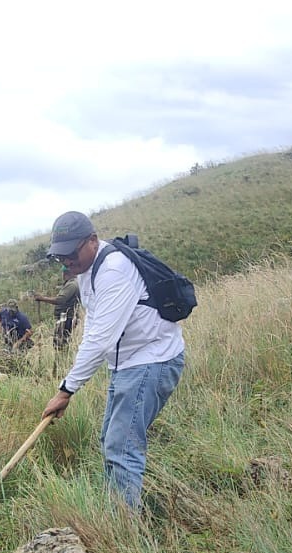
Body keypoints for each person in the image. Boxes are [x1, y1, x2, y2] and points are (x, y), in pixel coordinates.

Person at [41, 211, 185, 511]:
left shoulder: (114, 271)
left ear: (92, 241)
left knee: (122, 447)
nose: (67, 261)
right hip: (127, 364)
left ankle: (122, 526)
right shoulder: (87, 271)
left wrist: (66, 390)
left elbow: (100, 340)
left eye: (71, 254)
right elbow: (94, 328)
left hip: (150, 361)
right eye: (60, 257)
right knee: (111, 440)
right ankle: (117, 511)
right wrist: (70, 384)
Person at [34, 277, 80, 348]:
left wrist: (42, 298)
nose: (63, 275)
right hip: (65, 317)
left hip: (66, 318)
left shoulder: (72, 285)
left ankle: (62, 353)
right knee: (60, 341)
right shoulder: (70, 283)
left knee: (60, 342)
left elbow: (60, 300)